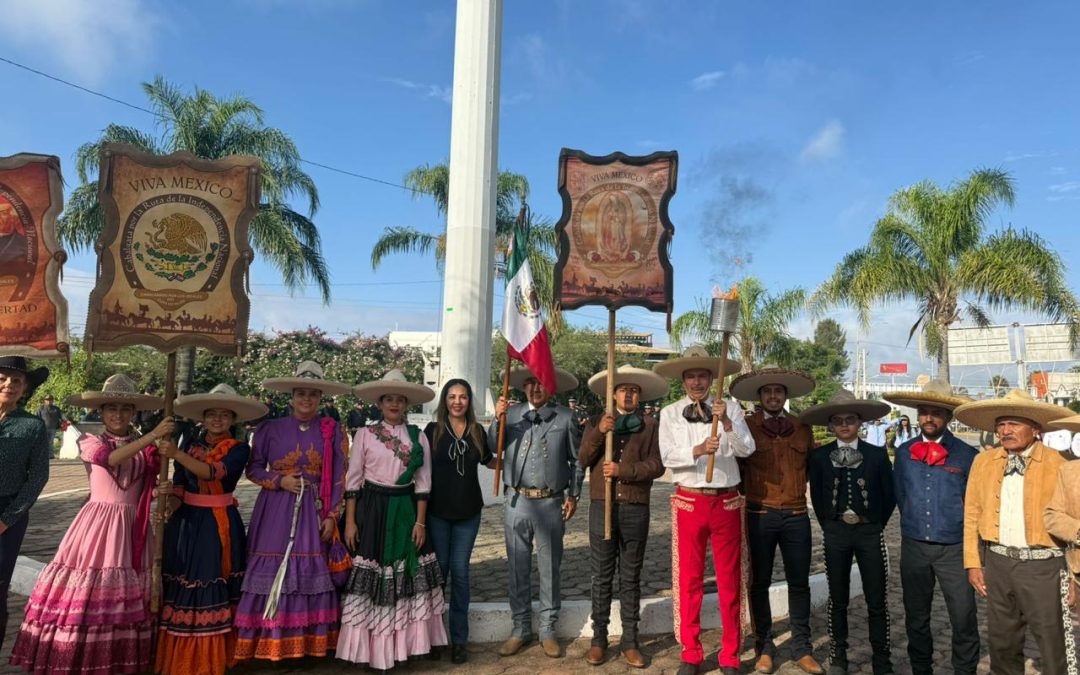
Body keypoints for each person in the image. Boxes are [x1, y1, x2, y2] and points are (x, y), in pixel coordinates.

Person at [10, 375, 171, 674]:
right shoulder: (89, 440)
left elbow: (142, 487)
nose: (118, 414)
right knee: (89, 589)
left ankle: (116, 658)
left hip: (132, 527)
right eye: (111, 408)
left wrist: (160, 491)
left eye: (125, 408)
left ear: (133, 412)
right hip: (97, 525)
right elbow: (110, 459)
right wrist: (152, 436)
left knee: (125, 591)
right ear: (101, 411)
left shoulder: (146, 450)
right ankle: (77, 657)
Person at [234, 361, 350, 662]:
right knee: (271, 567)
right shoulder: (269, 429)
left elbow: (339, 476)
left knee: (311, 569)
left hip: (314, 509)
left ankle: (309, 644)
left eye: (313, 394)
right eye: (301, 393)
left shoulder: (333, 431)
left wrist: (332, 515)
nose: (306, 399)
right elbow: (253, 469)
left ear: (320, 397)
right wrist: (279, 480)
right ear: (292, 396)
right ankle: (270, 642)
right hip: (275, 508)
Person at [954, 389, 1075, 673]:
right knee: (1002, 644)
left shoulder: (1059, 463)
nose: (1005, 431)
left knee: (1053, 643)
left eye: (1014, 424)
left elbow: (1073, 521)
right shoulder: (983, 462)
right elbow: (971, 516)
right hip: (997, 564)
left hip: (1044, 567)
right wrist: (973, 563)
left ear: (1035, 428)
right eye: (1001, 424)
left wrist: (1075, 576)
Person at [654, 346, 754, 675]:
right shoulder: (670, 413)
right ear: (683, 380)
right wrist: (697, 450)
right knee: (689, 580)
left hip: (727, 501)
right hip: (689, 501)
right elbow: (667, 457)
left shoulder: (732, 408)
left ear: (712, 379)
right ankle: (691, 652)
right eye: (691, 376)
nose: (697, 382)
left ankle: (731, 654)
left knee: (730, 579)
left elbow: (747, 449)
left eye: (702, 376)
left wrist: (726, 422)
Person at [337, 369, 447, 668]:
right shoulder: (365, 435)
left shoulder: (418, 437)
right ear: (380, 403)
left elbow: (423, 483)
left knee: (406, 575)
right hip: (372, 511)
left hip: (406, 510)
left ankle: (403, 647)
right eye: (389, 399)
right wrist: (350, 521)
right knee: (373, 577)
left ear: (406, 404)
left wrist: (420, 523)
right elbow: (353, 480)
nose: (394, 404)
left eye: (400, 399)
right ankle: (369, 650)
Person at [154, 384, 267, 675]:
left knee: (210, 578)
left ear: (233, 419)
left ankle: (211, 655)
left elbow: (212, 473)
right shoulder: (190, 443)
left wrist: (176, 453)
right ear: (203, 417)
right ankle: (179, 654)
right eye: (212, 414)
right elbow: (182, 480)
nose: (217, 419)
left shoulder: (239, 449)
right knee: (181, 578)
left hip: (218, 524)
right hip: (186, 522)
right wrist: (171, 504)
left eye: (225, 415)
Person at [728, 365, 822, 674]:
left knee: (799, 583)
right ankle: (764, 647)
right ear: (759, 396)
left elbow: (810, 468)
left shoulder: (802, 427)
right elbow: (737, 468)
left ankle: (802, 647)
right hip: (759, 514)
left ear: (785, 395)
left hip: (796, 515)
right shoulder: (746, 427)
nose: (772, 396)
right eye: (767, 391)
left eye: (778, 391)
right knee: (759, 583)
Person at [883, 381, 979, 675]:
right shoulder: (904, 452)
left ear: (948, 416)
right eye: (924, 412)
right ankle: (920, 668)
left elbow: (974, 503)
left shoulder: (967, 455)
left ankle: (965, 670)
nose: (928, 418)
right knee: (916, 617)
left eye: (936, 412)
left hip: (954, 549)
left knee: (963, 616)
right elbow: (900, 494)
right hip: (914, 546)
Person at [489, 365, 584, 659]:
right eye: (530, 382)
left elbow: (576, 460)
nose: (535, 388)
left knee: (549, 567)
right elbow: (493, 446)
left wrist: (574, 494)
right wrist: (496, 418)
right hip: (517, 501)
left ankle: (547, 630)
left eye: (541, 382)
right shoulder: (511, 414)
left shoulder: (565, 417)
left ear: (550, 387)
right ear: (523, 387)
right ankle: (520, 628)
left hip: (550, 502)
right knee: (517, 566)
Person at [578, 365, 666, 669]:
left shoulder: (650, 425)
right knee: (601, 576)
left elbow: (657, 465)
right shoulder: (597, 421)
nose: (628, 395)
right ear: (613, 394)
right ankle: (599, 639)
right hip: (601, 506)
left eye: (634, 391)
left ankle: (630, 641)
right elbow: (582, 458)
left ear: (639, 396)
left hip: (635, 507)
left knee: (630, 577)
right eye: (623, 390)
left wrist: (623, 471)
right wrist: (600, 432)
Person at [802, 390, 895, 675]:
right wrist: (830, 524)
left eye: (850, 419)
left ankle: (882, 660)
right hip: (836, 532)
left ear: (860, 423)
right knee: (838, 597)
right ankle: (838, 656)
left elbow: (889, 495)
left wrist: (875, 523)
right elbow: (817, 496)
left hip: (869, 532)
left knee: (876, 598)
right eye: (838, 420)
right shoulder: (819, 456)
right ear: (831, 425)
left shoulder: (877, 454)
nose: (845, 425)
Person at [422, 378, 493, 664]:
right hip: (438, 512)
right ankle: (434, 637)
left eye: (463, 397)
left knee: (460, 572)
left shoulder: (477, 431)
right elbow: (419, 468)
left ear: (469, 401)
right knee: (439, 572)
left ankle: (459, 640)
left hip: (468, 512)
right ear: (444, 401)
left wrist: (515, 464)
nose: (457, 402)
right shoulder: (432, 431)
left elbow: (489, 460)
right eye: (452, 396)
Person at [0, 356, 50, 651]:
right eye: (2, 378)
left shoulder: (32, 426)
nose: (9, 384)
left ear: (25, 388)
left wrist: (7, 519)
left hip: (8, 513)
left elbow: (38, 477)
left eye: (16, 380)